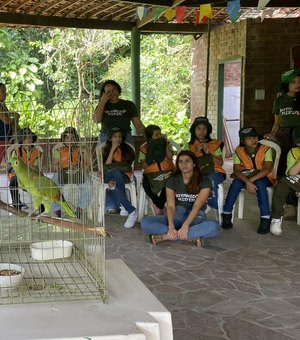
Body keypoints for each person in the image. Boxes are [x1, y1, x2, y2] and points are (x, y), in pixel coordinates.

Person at [141, 150, 220, 246]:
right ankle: (189, 237)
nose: (184, 164)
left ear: (194, 163)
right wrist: (170, 226)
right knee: (145, 223)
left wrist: (186, 225)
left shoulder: (204, 182)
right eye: (180, 161)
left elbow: (197, 206)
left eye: (187, 161)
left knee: (214, 226)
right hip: (177, 215)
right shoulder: (172, 180)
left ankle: (166, 236)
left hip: (195, 217)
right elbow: (170, 206)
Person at [221, 127, 274, 234]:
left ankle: (265, 217)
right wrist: (247, 181)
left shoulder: (266, 149)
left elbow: (267, 169)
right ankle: (226, 213)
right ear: (243, 141)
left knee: (259, 184)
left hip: (264, 177)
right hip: (246, 176)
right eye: (249, 138)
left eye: (255, 137)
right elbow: (236, 170)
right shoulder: (239, 151)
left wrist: (250, 181)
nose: (253, 140)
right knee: (235, 183)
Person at [264, 68, 300, 177]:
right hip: (284, 134)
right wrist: (272, 134)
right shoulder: (279, 101)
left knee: (296, 159)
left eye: (299, 81)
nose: (297, 84)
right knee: (282, 159)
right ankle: (282, 184)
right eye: (293, 82)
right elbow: (277, 123)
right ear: (286, 85)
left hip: (299, 134)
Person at [51, 127, 91, 219]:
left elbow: (89, 164)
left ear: (76, 139)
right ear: (64, 138)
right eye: (67, 137)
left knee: (88, 185)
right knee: (53, 185)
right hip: (63, 172)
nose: (70, 140)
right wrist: (57, 168)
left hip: (78, 172)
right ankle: (56, 208)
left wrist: (86, 152)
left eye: (73, 138)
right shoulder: (59, 150)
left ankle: (81, 208)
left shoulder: (80, 149)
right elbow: (54, 164)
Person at [101, 127, 137, 228]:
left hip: (123, 176)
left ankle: (126, 206)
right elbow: (107, 166)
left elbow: (128, 166)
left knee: (114, 181)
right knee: (113, 171)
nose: (118, 139)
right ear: (110, 139)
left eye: (120, 136)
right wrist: (112, 149)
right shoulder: (105, 150)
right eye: (115, 136)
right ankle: (130, 209)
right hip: (108, 176)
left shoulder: (127, 149)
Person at [188, 116, 226, 210]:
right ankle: (195, 209)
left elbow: (220, 163)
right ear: (194, 130)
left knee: (210, 179)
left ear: (208, 131)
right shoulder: (189, 145)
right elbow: (185, 164)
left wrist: (209, 153)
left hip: (215, 171)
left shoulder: (215, 144)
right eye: (199, 128)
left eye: (205, 129)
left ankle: (212, 202)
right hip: (198, 172)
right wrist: (196, 152)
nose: (202, 131)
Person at [93, 80, 145, 146]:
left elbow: (138, 124)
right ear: (104, 94)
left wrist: (149, 137)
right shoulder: (101, 106)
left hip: (125, 136)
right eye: (108, 92)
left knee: (128, 156)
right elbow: (96, 120)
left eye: (114, 90)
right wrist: (102, 102)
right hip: (106, 136)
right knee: (104, 156)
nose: (112, 93)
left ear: (118, 90)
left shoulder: (128, 104)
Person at [270, 127, 300, 236]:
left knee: (282, 181)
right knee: (282, 184)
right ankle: (276, 219)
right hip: (296, 180)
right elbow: (292, 173)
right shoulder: (293, 152)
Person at [139, 124, 174, 215]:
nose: (160, 136)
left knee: (170, 183)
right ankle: (160, 205)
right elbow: (143, 165)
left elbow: (170, 157)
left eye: (160, 134)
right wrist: (151, 158)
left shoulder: (165, 143)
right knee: (146, 185)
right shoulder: (144, 147)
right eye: (156, 135)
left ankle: (159, 205)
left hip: (167, 171)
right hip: (151, 173)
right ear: (150, 137)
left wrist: (165, 144)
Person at [7, 127, 42, 210]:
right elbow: (12, 166)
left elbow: (37, 167)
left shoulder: (37, 151)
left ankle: (41, 205)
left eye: (30, 138)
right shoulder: (16, 151)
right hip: (18, 175)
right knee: (13, 182)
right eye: (26, 138)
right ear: (21, 140)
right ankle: (16, 204)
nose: (29, 140)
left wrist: (33, 169)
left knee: (42, 181)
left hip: (32, 174)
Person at [0, 83, 20, 164]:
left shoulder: (3, 105)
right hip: (1, 140)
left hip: (7, 139)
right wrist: (15, 118)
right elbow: (6, 120)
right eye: (3, 91)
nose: (5, 94)